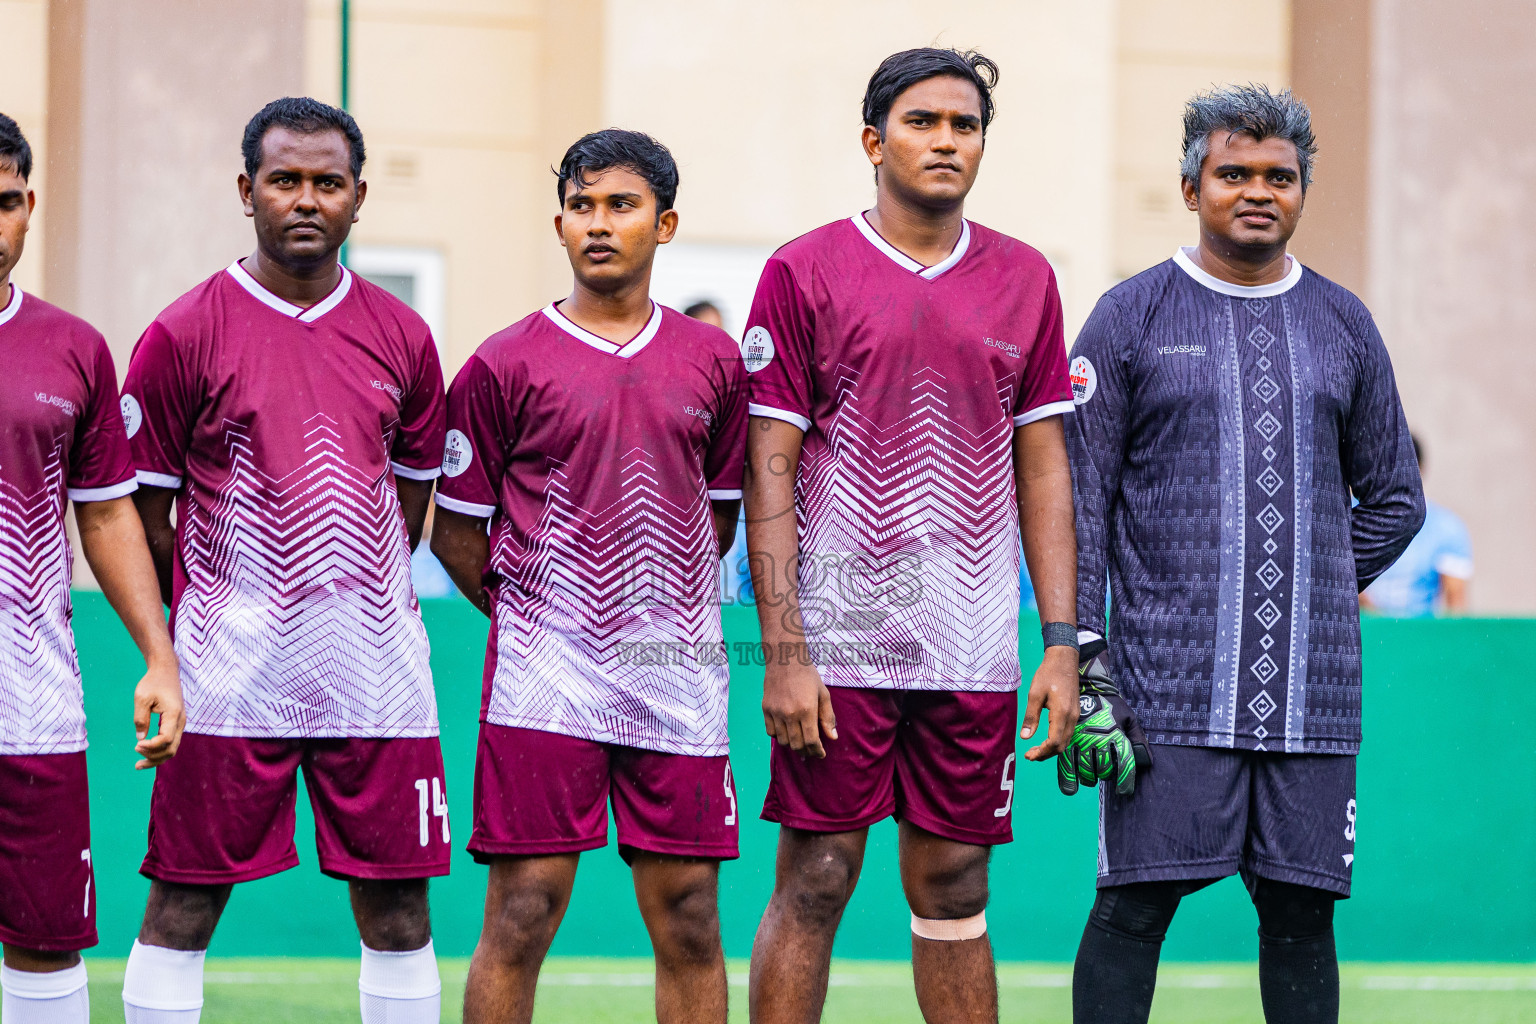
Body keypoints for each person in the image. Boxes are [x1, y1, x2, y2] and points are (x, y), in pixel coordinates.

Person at [1065, 84, 1425, 1024]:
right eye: (1233, 174)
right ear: (1192, 189)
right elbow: (1078, 503)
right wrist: (1086, 652)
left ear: (1302, 192)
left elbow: (1396, 498)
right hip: (1161, 688)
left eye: (1279, 176)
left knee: (1303, 916)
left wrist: (1302, 585)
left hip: (1314, 693)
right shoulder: (1130, 316)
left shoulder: (1345, 323)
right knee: (1134, 907)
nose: (1257, 191)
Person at [743, 48, 1081, 1023]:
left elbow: (1046, 467)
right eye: (923, 120)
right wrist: (785, 652)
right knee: (816, 875)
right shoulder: (803, 270)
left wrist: (1060, 645)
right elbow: (768, 466)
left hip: (973, 645)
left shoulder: (1024, 278)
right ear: (872, 140)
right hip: (840, 644)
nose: (945, 140)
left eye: (964, 124)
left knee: (957, 888)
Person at [118, 97, 449, 1024]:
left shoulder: (403, 336)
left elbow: (410, 504)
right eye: (285, 180)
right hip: (229, 676)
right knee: (183, 902)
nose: (306, 199)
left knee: (398, 912)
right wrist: (195, 630)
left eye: (327, 183)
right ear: (246, 190)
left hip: (378, 675)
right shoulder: (183, 332)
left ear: (359, 197)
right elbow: (145, 517)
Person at [431, 129, 747, 1024]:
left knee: (689, 917)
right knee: (523, 909)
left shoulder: (713, 362)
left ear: (666, 222)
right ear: (559, 224)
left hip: (674, 678)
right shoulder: (503, 360)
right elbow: (458, 531)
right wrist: (545, 616)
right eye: (582, 206)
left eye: (622, 205)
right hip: (544, 681)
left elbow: (715, 517)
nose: (598, 224)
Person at [0, 112, 184, 1024]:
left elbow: (108, 513)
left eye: (2, 204)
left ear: (28, 208)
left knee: (43, 943)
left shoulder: (74, 349)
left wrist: (159, 655)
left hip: (32, 704)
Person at [1361, 434, 1471, 616]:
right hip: (1363, 634)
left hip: (1421, 637)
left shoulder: (1447, 527)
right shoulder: (1349, 518)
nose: (1393, 478)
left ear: (1420, 471)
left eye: (1402, 471)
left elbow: (1456, 606)